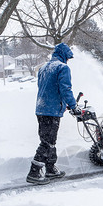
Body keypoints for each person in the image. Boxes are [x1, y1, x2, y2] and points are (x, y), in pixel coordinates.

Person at [26, 43, 80, 185]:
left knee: (50, 140)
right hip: (51, 110)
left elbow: (46, 88)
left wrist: (63, 103)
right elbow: (65, 89)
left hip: (41, 108)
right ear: (63, 55)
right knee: (47, 142)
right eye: (67, 58)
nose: (68, 60)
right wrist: (73, 106)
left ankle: (50, 168)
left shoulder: (43, 68)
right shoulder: (62, 68)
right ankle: (34, 172)